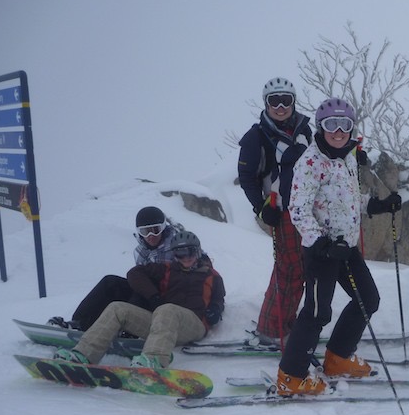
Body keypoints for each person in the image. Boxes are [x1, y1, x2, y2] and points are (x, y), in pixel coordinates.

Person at [276, 98, 401, 395]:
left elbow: (347, 200)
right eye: (332, 124)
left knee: (367, 299)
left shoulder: (347, 158)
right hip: (322, 251)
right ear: (321, 126)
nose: (338, 131)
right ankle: (290, 377)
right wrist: (321, 243)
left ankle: (337, 358)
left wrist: (378, 205)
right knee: (317, 313)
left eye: (345, 125)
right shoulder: (310, 162)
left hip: (346, 247)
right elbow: (299, 209)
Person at [53, 231, 226, 369]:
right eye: (181, 253)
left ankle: (154, 360)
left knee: (168, 309)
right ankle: (84, 354)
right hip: (164, 322)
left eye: (190, 252)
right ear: (175, 255)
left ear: (198, 251)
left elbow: (219, 299)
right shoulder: (167, 269)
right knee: (118, 308)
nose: (186, 257)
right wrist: (153, 296)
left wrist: (215, 310)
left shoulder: (212, 275)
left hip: (193, 324)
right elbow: (134, 273)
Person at [237, 77, 312, 346]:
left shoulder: (304, 130)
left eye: (286, 100)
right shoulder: (256, 136)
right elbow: (247, 176)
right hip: (281, 211)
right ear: (266, 104)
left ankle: (285, 322)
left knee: (302, 270)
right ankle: (271, 328)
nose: (280, 107)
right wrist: (261, 208)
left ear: (293, 102)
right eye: (274, 101)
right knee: (288, 270)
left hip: (307, 211)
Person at [48, 206, 177, 331]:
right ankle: (80, 323)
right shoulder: (141, 251)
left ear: (164, 228)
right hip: (147, 295)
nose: (150, 236)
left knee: (142, 289)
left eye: (155, 230)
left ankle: (128, 329)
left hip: (165, 298)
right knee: (110, 283)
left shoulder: (177, 245)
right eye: (144, 231)